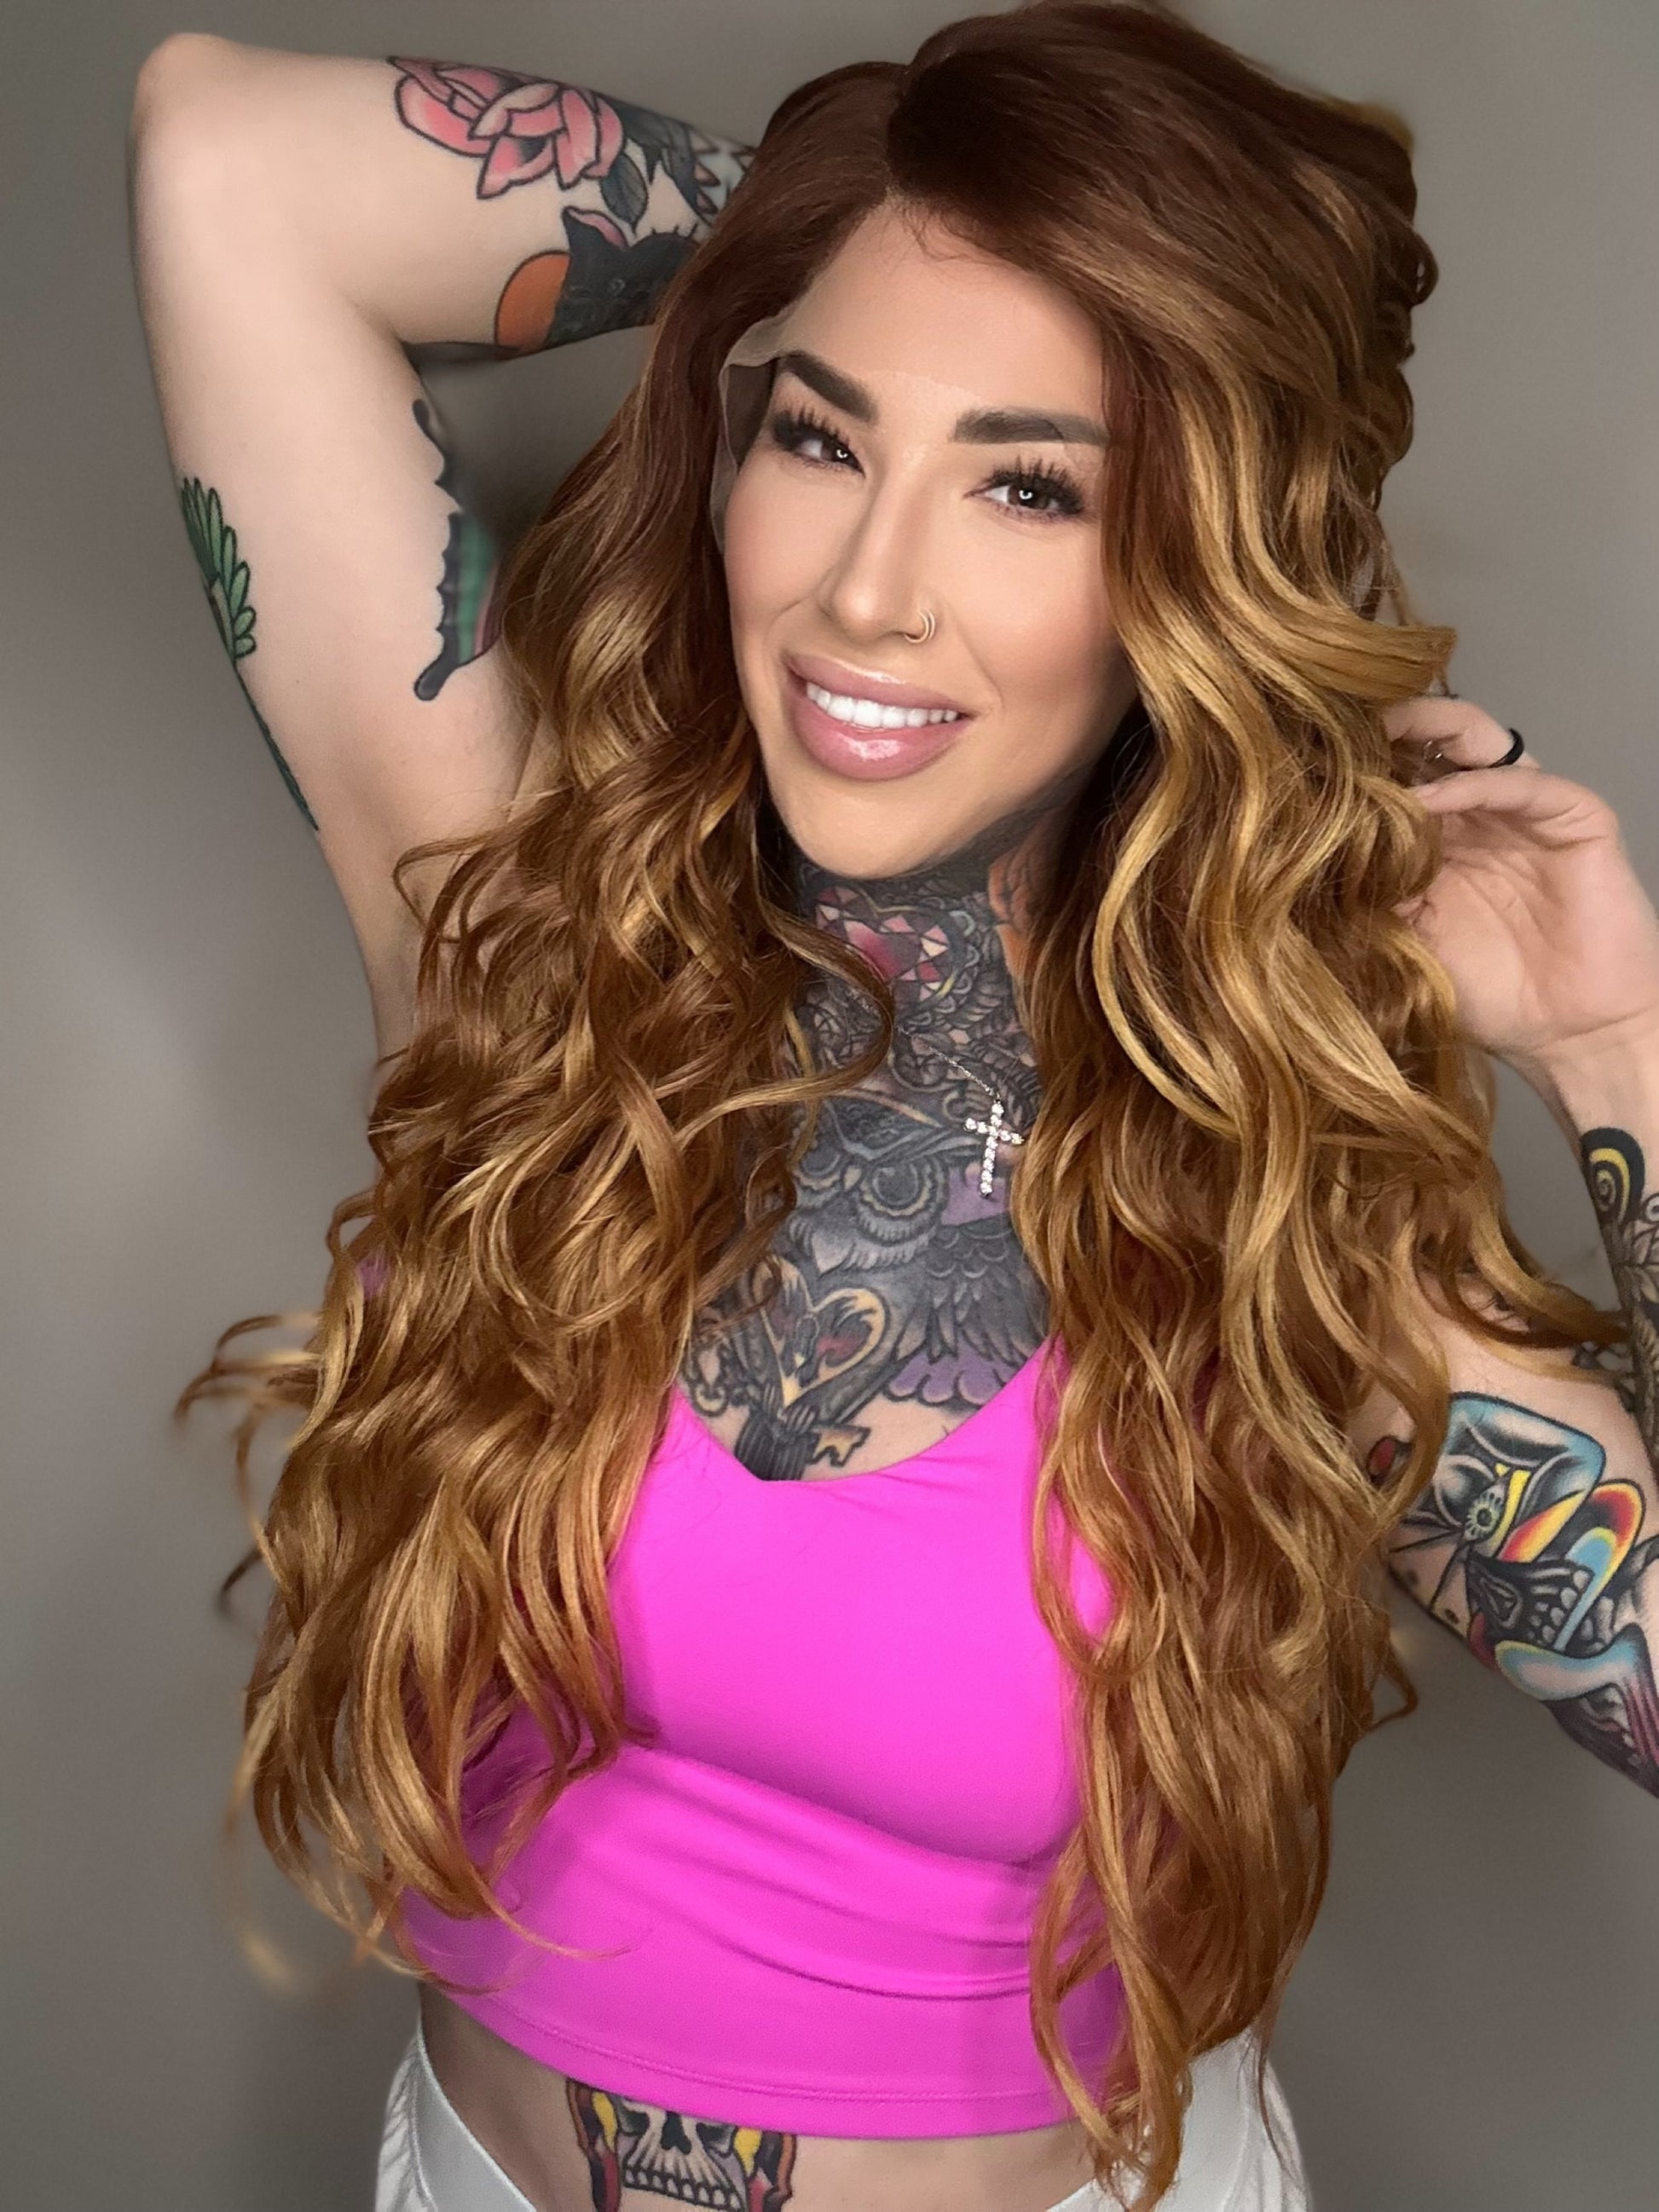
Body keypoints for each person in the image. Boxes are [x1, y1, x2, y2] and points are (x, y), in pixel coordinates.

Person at [128, 5, 1659, 2209]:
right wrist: (866, 217)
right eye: (823, 433)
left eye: (1029, 484)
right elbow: (223, 162)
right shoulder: (535, 949)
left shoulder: (1263, 1181)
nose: (864, 588)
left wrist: (1615, 1049)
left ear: (1192, 564)